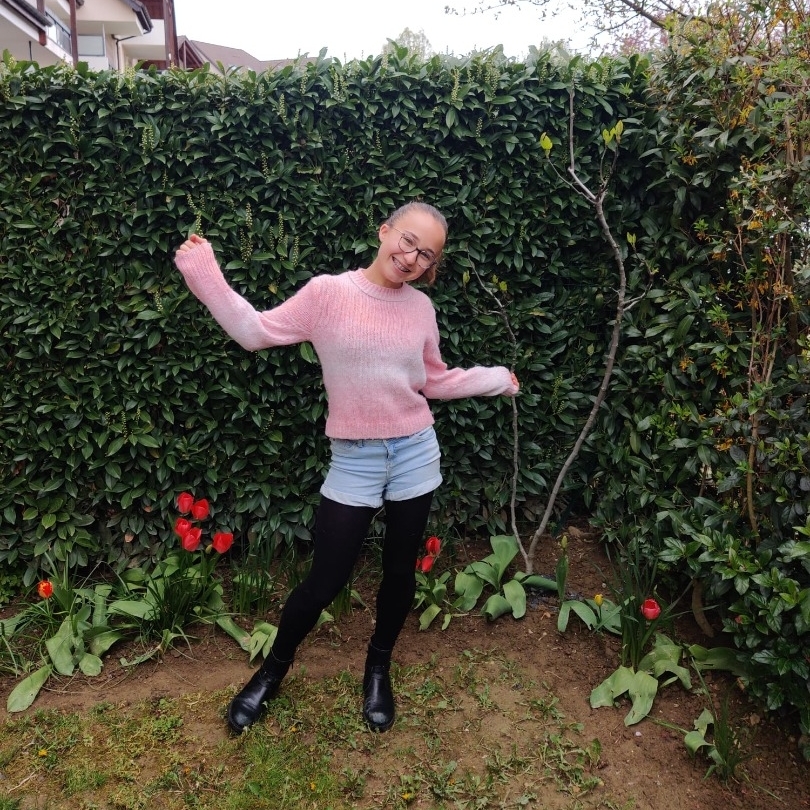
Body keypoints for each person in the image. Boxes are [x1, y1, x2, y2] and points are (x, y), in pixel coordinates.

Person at [174, 201, 519, 734]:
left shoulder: (421, 309)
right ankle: (271, 672)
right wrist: (205, 274)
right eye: (407, 241)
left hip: (415, 453)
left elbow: (433, 380)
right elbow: (254, 331)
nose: (412, 257)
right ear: (384, 232)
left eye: (427, 255)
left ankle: (377, 669)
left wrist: (494, 378)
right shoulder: (327, 293)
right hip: (355, 460)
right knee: (324, 580)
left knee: (400, 572)